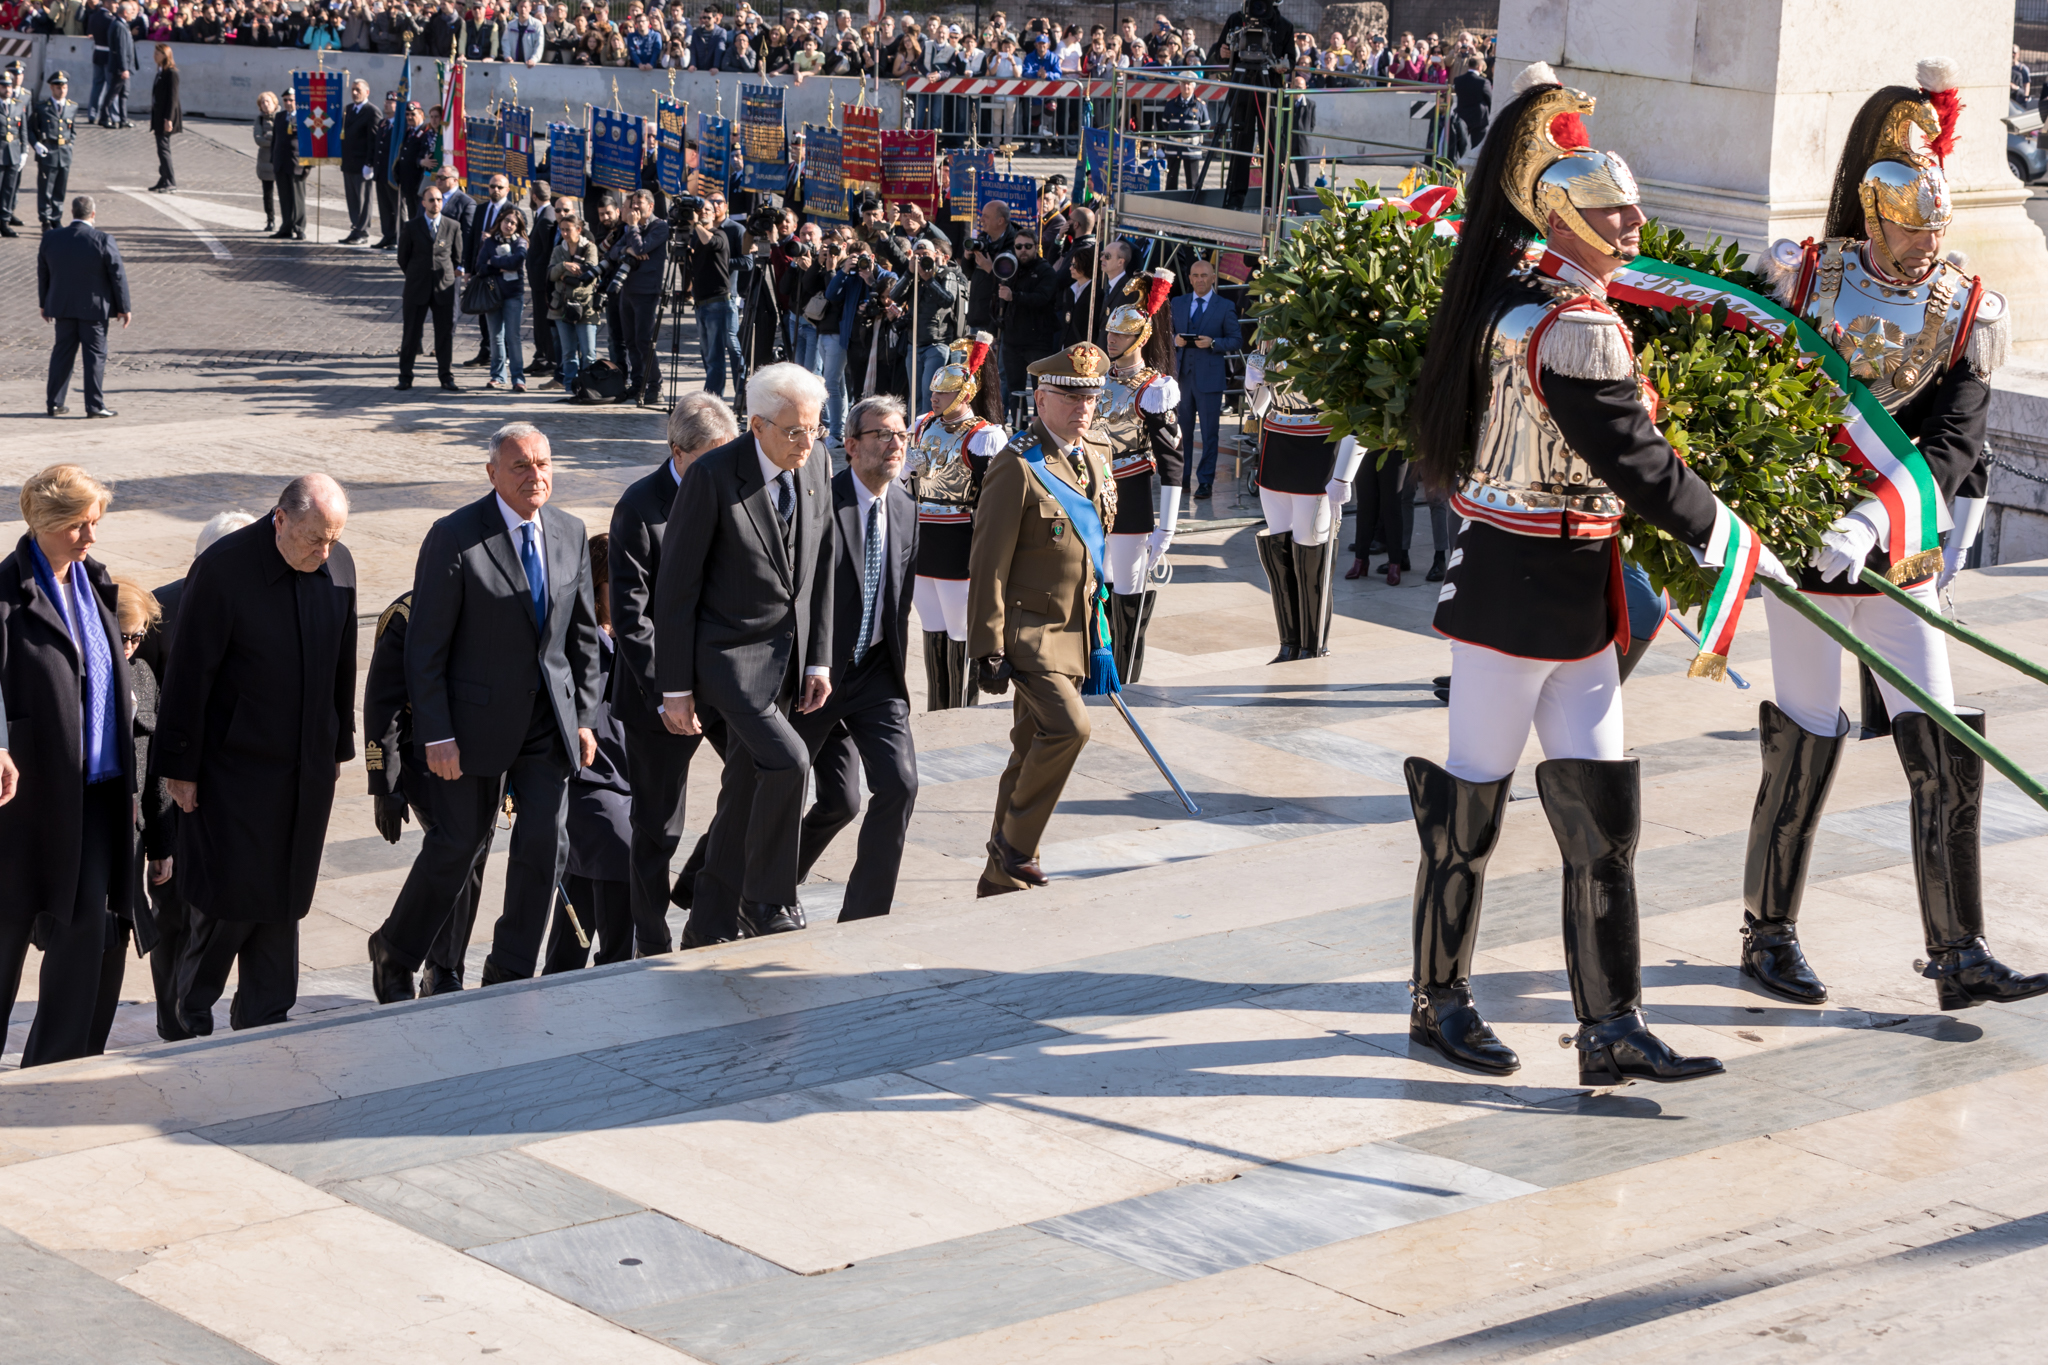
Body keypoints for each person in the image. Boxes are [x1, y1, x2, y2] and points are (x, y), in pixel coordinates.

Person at [1404, 63, 1753, 1087]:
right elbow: (1626, 456)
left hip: (1561, 583)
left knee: (1598, 820)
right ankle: (1439, 999)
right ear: (1561, 219)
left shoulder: (1518, 303)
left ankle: (1611, 1023)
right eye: (1612, 212)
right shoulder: (1574, 323)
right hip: (1519, 589)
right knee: (1469, 806)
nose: (1633, 227)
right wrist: (1717, 529)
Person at [1743, 58, 2044, 1013]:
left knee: (1942, 742)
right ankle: (1769, 929)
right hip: (1807, 553)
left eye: (1933, 232)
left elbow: (1956, 440)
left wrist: (1877, 512)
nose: (1924, 250)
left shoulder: (1964, 306)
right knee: (1805, 735)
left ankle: (1958, 947)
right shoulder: (1805, 278)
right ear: (1874, 213)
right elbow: (1759, 404)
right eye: (1910, 230)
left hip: (1897, 544)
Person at [369, 423, 603, 1002]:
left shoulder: (570, 532)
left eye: (543, 463)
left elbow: (583, 639)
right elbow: (424, 649)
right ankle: (395, 950)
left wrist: (585, 716)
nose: (535, 475)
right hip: (470, 728)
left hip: (548, 723)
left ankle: (509, 972)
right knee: (458, 846)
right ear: (493, 473)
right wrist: (437, 733)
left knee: (545, 842)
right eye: (520, 465)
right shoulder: (454, 536)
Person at [155, 476, 356, 1034]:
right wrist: (179, 766)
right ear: (280, 519)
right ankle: (187, 1019)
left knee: (285, 900)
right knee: (230, 900)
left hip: (305, 769)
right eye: (314, 538)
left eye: (333, 538)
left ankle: (267, 1021)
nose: (324, 551)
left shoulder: (338, 566)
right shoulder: (222, 570)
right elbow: (190, 675)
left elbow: (343, 665)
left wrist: (337, 747)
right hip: (232, 772)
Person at [652, 363, 835, 939]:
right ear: (757, 426)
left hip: (787, 663)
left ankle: (706, 922)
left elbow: (820, 568)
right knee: (789, 762)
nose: (807, 442)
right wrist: (675, 688)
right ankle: (767, 901)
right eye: (794, 431)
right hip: (726, 662)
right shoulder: (711, 477)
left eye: (816, 429)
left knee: (746, 789)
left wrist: (819, 659)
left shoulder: (818, 465)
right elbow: (676, 587)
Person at [966, 343, 1118, 898]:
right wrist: (987, 644)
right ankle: (1017, 847)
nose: (1084, 409)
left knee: (1030, 747)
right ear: (1042, 398)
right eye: (1071, 398)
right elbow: (988, 561)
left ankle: (999, 876)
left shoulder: (1095, 454)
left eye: (1093, 398)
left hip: (1077, 630)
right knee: (1069, 728)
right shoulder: (1017, 464)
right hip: (1029, 633)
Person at [0, 465, 135, 1067]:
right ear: (44, 524)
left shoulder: (95, 582)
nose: (90, 538)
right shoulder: (7, 592)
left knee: (87, 934)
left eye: (95, 523)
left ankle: (54, 1068)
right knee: (6, 935)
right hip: (24, 802)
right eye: (80, 525)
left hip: (98, 794)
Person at [611, 392, 739, 953]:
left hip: (724, 681)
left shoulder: (735, 488)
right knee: (657, 826)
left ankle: (698, 886)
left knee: (765, 778)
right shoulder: (640, 506)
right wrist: (670, 692)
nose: (721, 464)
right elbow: (630, 617)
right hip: (659, 694)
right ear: (677, 452)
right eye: (710, 454)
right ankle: (649, 931)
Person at [792, 393, 920, 921]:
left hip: (875, 675)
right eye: (881, 435)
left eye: (901, 435)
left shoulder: (909, 510)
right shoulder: (821, 502)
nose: (894, 445)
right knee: (788, 792)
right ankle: (730, 882)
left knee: (900, 784)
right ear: (849, 446)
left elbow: (898, 599)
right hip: (814, 674)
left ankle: (865, 915)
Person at [542, 532, 635, 970]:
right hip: (591, 788)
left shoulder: (629, 640)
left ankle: (557, 984)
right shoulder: (588, 647)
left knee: (574, 910)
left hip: (619, 785)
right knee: (622, 869)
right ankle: (618, 978)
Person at [905, 333, 1005, 709]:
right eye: (934, 392)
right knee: (932, 627)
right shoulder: (922, 426)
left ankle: (963, 706)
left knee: (959, 629)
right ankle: (938, 704)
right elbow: (903, 485)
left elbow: (993, 500)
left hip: (958, 536)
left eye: (943, 393)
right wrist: (905, 471)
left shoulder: (983, 437)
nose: (934, 398)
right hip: (922, 535)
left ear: (964, 393)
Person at [1098, 271, 1184, 684]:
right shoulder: (1097, 382)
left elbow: (1172, 462)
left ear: (1141, 337)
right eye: (1109, 333)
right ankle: (1101, 668)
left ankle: (1127, 674)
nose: (1111, 340)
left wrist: (1166, 525)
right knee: (1099, 585)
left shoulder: (1154, 389)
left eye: (1119, 334)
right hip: (1093, 494)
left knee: (1129, 587)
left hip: (1131, 497)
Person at [39, 194, 130, 420]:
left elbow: (44, 273)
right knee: (95, 357)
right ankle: (94, 405)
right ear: (93, 214)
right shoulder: (102, 239)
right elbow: (117, 275)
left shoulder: (51, 237)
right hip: (94, 310)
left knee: (61, 354)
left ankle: (54, 403)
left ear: (72, 213)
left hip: (62, 307)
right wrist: (124, 307)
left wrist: (44, 304)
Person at [1170, 257, 1241, 500]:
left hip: (1210, 378)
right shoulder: (1177, 303)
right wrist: (1174, 341)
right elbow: (1165, 334)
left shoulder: (1224, 305)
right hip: (1182, 378)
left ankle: (1205, 481)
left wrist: (1214, 343)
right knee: (1182, 432)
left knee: (1210, 433)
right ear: (1189, 279)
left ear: (1213, 278)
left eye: (1204, 275)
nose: (1200, 280)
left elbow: (1236, 339)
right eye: (1195, 276)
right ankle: (1182, 480)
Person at [396, 181, 462, 392]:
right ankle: (405, 376)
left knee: (444, 334)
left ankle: (446, 376)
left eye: (439, 199)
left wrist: (445, 274)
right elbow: (403, 257)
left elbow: (457, 256)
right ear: (424, 202)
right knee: (411, 333)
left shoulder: (452, 226)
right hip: (417, 287)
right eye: (432, 200)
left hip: (443, 287)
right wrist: (416, 274)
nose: (436, 203)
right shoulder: (412, 226)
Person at [681, 196, 741, 397]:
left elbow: (709, 241)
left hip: (719, 303)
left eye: (708, 209)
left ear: (715, 214)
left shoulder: (720, 233)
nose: (704, 212)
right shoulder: (695, 237)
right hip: (701, 304)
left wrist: (696, 224)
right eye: (700, 210)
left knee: (716, 358)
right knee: (707, 356)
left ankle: (712, 401)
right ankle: (712, 397)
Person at [620, 188, 671, 406]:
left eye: (639, 204)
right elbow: (613, 251)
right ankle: (638, 382)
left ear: (651, 206)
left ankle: (655, 385)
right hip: (628, 290)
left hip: (647, 292)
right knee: (630, 341)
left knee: (645, 341)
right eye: (633, 204)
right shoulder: (632, 229)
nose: (635, 208)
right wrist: (627, 252)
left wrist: (632, 229)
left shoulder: (660, 226)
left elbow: (641, 246)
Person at [548, 207, 600, 393]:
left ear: (578, 230)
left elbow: (590, 272)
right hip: (561, 306)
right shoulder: (558, 251)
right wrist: (564, 266)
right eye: (561, 229)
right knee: (568, 352)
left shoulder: (589, 247)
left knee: (588, 353)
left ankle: (590, 387)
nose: (564, 233)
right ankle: (570, 388)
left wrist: (565, 276)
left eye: (567, 229)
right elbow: (552, 274)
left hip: (585, 306)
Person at [479, 204, 529, 391]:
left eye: (514, 224)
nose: (509, 225)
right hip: (493, 295)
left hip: (513, 295)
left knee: (513, 336)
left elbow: (517, 261)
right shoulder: (490, 242)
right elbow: (481, 266)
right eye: (507, 221)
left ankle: (518, 378)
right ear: (500, 221)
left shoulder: (520, 242)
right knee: (495, 337)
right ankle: (498, 376)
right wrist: (500, 266)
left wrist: (495, 262)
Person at [30, 70, 77, 234]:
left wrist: (71, 145)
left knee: (60, 188)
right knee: (46, 189)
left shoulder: (72, 107)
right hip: (48, 151)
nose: (61, 90)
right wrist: (36, 144)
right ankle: (45, 219)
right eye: (58, 87)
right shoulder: (42, 108)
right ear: (51, 88)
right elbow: (31, 129)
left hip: (64, 153)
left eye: (64, 86)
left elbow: (73, 130)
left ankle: (56, 218)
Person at [339, 77, 378, 244]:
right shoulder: (348, 109)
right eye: (353, 90)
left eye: (358, 90)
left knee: (363, 199)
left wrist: (370, 163)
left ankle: (363, 231)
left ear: (367, 92)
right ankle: (355, 228)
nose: (354, 93)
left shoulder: (372, 111)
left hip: (363, 164)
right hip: (348, 163)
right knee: (352, 199)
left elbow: (373, 139)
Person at [270, 83, 307, 240]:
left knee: (297, 198)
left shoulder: (304, 117)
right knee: (284, 197)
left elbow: (308, 142)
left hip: (297, 163)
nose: (288, 103)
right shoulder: (279, 116)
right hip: (281, 162)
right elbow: (275, 140)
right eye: (285, 100)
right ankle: (286, 226)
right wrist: (273, 159)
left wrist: (308, 164)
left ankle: (299, 227)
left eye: (291, 100)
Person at [146, 42, 180, 193]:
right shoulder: (160, 71)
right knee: (161, 149)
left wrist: (169, 119)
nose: (154, 56)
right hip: (159, 115)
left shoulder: (171, 73)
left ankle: (170, 181)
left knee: (164, 149)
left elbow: (173, 98)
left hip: (166, 117)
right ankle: (163, 178)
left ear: (165, 56)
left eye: (157, 53)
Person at [0, 68, 28, 238]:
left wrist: (24, 151)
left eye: (9, 86)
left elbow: (23, 130)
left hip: (14, 153)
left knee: (9, 190)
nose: (7, 89)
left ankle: (4, 221)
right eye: (3, 86)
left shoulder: (18, 105)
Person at [101, 0, 134, 129]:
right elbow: (121, 49)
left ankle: (123, 119)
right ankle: (104, 117)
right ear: (125, 13)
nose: (133, 14)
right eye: (131, 12)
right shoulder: (119, 26)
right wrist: (124, 68)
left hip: (123, 66)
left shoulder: (121, 24)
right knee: (113, 93)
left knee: (124, 93)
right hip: (120, 68)